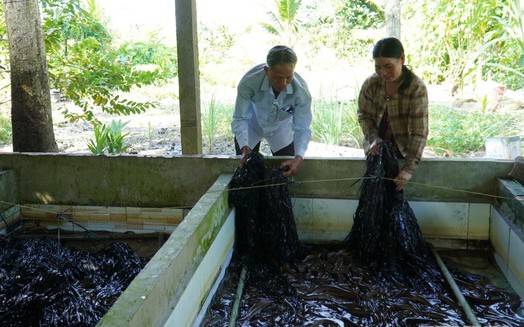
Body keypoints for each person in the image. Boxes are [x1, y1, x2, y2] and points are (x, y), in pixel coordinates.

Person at [357, 37, 428, 190]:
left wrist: (408, 168)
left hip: (402, 151)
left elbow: (418, 132)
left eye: (388, 66)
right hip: (375, 149)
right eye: (378, 68)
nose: (383, 73)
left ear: (402, 59)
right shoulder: (371, 84)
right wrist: (373, 137)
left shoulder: (416, 88)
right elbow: (363, 115)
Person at [231, 45, 312, 177]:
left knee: (285, 173)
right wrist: (244, 147)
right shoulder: (249, 82)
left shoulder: (301, 92)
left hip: (282, 127)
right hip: (253, 123)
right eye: (278, 78)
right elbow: (240, 118)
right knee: (246, 171)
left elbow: (302, 128)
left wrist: (298, 158)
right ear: (266, 70)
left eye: (288, 77)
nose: (284, 83)